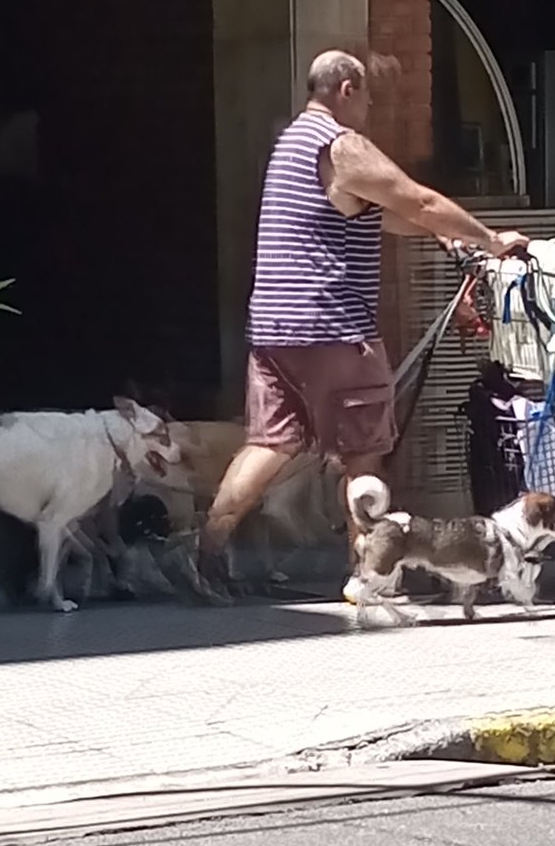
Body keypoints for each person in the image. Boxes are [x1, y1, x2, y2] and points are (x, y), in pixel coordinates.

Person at [197, 49, 529, 603]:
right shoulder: (341, 144)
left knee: (269, 442)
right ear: (347, 88)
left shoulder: (291, 144)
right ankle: (367, 576)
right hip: (335, 326)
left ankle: (206, 552)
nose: (372, 107)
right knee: (363, 452)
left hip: (276, 326)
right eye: (369, 96)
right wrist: (489, 239)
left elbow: (378, 211)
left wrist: (442, 234)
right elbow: (415, 197)